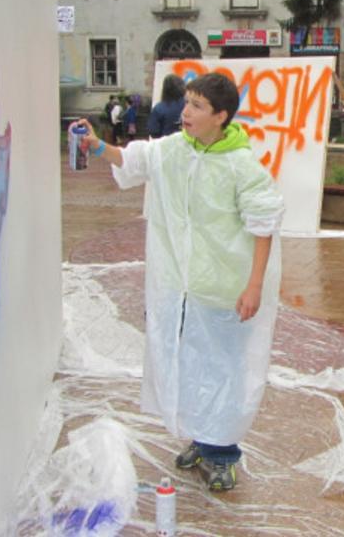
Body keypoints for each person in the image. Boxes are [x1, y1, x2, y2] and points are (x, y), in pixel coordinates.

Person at [71, 72, 284, 492]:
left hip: (222, 289)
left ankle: (223, 453)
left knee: (222, 369)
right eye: (186, 102)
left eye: (197, 106)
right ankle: (202, 440)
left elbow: (264, 225)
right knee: (188, 364)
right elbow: (134, 159)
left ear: (221, 116)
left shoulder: (241, 163)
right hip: (179, 288)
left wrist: (254, 284)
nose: (185, 112)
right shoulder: (173, 151)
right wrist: (97, 146)